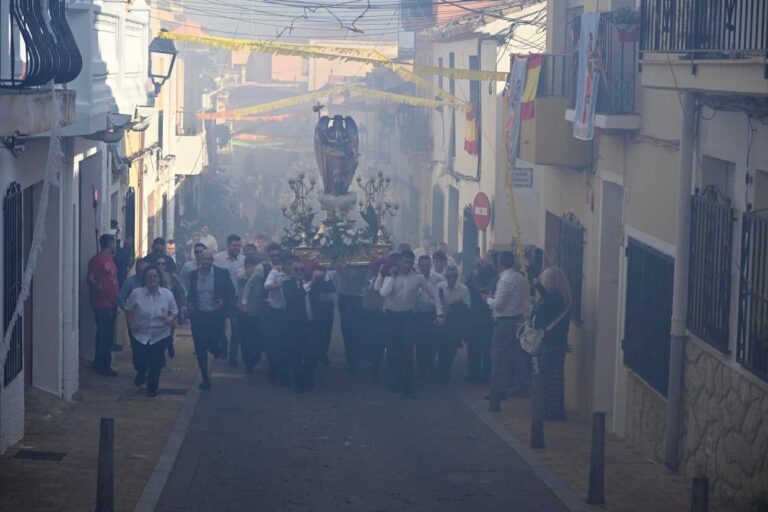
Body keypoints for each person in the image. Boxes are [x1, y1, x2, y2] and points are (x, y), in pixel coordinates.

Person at [376, 250, 435, 394]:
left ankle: (407, 384)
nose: (407, 265)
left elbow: (432, 292)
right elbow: (383, 293)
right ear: (399, 262)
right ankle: (395, 381)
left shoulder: (418, 278)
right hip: (391, 316)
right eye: (405, 262)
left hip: (408, 316)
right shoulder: (392, 276)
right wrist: (391, 276)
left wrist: (439, 311)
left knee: (408, 350)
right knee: (393, 349)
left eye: (410, 262)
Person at [483, 250, 530, 412]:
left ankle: (496, 396)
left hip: (504, 322)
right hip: (518, 320)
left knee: (497, 358)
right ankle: (520, 386)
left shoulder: (505, 280)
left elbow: (499, 304)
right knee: (517, 357)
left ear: (499, 263)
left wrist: (487, 299)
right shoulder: (521, 278)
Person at [124, 265, 178, 397]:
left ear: (159, 278)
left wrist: (169, 318)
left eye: (155, 276)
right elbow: (129, 309)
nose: (152, 279)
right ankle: (141, 373)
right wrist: (131, 323)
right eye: (149, 276)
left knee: (156, 362)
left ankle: (152, 388)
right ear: (145, 279)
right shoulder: (136, 293)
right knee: (140, 361)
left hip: (160, 334)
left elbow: (174, 311)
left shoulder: (167, 294)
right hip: (140, 334)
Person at [187, 250, 235, 390]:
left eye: (209, 259)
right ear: (199, 260)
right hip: (199, 315)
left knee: (213, 344)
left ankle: (220, 343)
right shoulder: (193, 275)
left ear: (212, 260)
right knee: (200, 347)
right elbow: (191, 293)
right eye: (204, 259)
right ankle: (205, 378)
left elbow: (231, 291)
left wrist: (223, 300)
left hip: (216, 314)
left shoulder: (222, 273)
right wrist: (188, 305)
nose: (206, 262)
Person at [533, 267, 571, 421]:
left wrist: (537, 286)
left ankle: (553, 411)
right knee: (549, 377)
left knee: (551, 379)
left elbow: (549, 305)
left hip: (552, 343)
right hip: (551, 342)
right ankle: (551, 409)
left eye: (546, 279)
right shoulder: (555, 297)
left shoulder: (556, 298)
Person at [87, 234, 121, 376]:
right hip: (102, 302)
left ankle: (100, 362)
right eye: (114, 243)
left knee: (108, 334)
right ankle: (102, 365)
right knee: (104, 334)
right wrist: (97, 286)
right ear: (109, 244)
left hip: (111, 302)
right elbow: (90, 278)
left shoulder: (110, 260)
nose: (115, 246)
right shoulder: (97, 259)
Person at [433, 265, 470, 382]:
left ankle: (446, 369)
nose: (452, 279)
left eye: (454, 276)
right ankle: (442, 372)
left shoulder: (463, 289)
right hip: (443, 322)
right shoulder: (440, 287)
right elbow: (438, 303)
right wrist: (440, 316)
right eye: (449, 276)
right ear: (445, 276)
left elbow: (468, 306)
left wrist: (457, 306)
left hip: (456, 323)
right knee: (442, 348)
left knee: (452, 349)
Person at [214, 234, 245, 365]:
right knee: (218, 326)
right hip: (222, 299)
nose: (236, 248)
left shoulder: (244, 260)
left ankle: (233, 357)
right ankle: (223, 345)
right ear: (228, 246)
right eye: (234, 245)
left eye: (238, 245)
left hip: (237, 298)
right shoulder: (217, 259)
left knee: (236, 329)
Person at [413, 255, 445, 378]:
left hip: (432, 313)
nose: (425, 267)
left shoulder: (437, 278)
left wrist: (440, 312)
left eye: (427, 265)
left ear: (430, 265)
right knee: (420, 341)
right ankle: (421, 367)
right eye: (423, 265)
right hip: (418, 314)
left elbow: (440, 296)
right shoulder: (414, 278)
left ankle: (430, 363)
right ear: (419, 266)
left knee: (432, 341)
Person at [465, 259, 495, 382]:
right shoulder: (494, 280)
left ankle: (474, 373)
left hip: (475, 318)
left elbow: (467, 284)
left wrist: (473, 275)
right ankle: (486, 374)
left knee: (474, 348)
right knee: (487, 349)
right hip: (488, 319)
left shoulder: (474, 281)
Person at [335, 264, 368, 373]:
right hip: (345, 297)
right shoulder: (340, 261)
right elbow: (348, 277)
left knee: (361, 329)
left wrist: (363, 267)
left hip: (359, 297)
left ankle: (361, 358)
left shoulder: (363, 264)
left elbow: (363, 281)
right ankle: (352, 360)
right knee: (348, 329)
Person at [263, 252, 289, 383]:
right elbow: (267, 286)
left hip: (289, 314)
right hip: (274, 312)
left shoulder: (297, 273)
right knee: (273, 343)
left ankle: (285, 372)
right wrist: (283, 284)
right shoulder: (275, 273)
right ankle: (273, 369)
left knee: (286, 343)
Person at [238, 255, 266, 373]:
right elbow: (242, 275)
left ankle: (256, 357)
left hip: (257, 312)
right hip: (243, 312)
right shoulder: (241, 273)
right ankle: (248, 364)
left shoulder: (261, 275)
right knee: (245, 340)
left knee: (257, 338)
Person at [361, 257, 385, 383]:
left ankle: (376, 366)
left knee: (379, 343)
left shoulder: (388, 277)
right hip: (370, 312)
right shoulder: (369, 275)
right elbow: (367, 289)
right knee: (371, 342)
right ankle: (371, 368)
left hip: (383, 313)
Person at [155, 258, 186, 357]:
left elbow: (180, 290)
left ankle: (169, 343)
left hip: (170, 305)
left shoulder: (172, 276)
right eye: (158, 263)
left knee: (171, 328)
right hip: (156, 305)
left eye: (163, 264)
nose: (160, 266)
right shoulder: (152, 276)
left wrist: (181, 305)